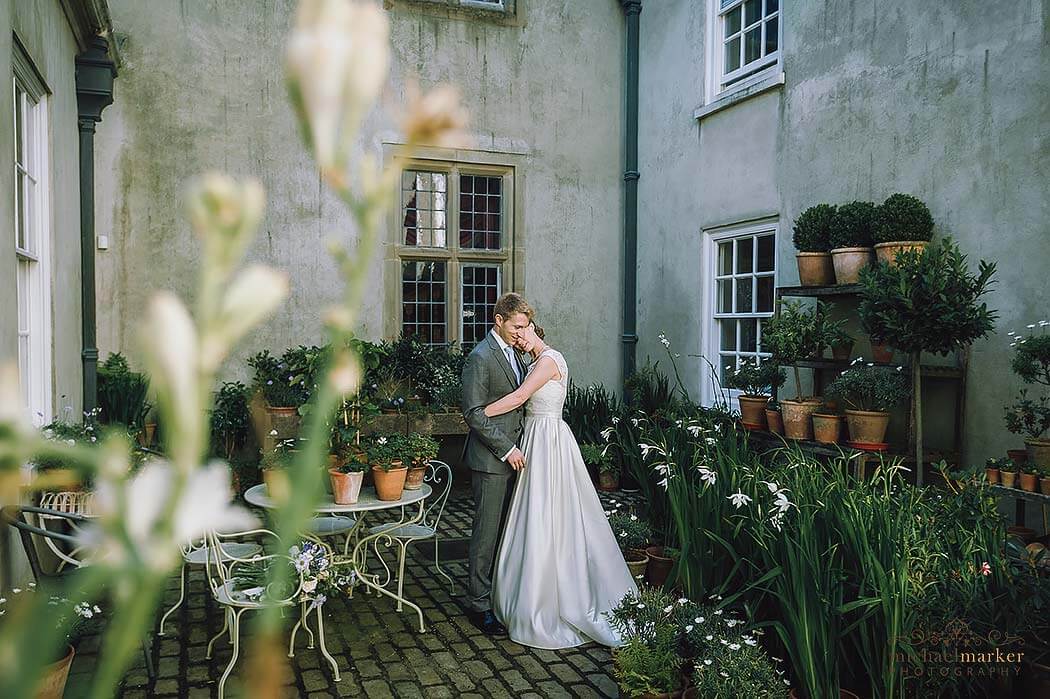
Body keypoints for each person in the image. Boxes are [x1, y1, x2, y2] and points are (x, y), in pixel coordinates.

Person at [487, 322, 637, 648]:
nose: (519, 342)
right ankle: (532, 585)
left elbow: (521, 396)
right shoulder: (534, 361)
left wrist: (478, 413)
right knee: (538, 511)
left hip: (548, 441)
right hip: (537, 439)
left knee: (550, 511)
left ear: (533, 329)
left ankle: (552, 596)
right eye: (516, 339)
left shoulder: (549, 360)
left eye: (522, 334)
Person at [460, 292, 534, 635]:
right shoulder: (480, 357)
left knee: (507, 530)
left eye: (525, 326)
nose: (522, 332)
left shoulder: (514, 351)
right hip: (492, 459)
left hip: (517, 455)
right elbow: (473, 413)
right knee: (486, 535)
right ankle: (478, 604)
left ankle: (499, 594)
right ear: (498, 321)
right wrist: (507, 449)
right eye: (516, 326)